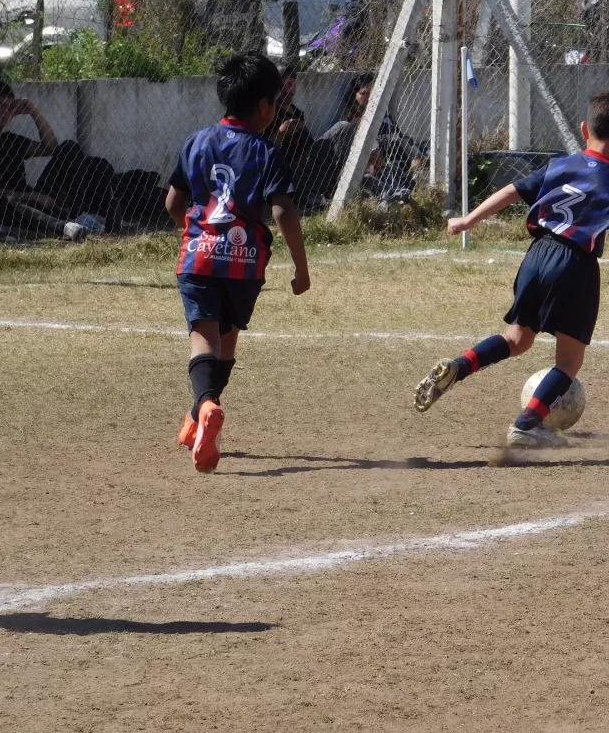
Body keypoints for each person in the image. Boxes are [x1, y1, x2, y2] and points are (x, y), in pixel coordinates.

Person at [413, 91, 609, 448]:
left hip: (536, 256)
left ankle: (459, 366)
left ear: (584, 129)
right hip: (575, 265)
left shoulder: (559, 166)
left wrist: (468, 220)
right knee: (569, 360)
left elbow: (511, 192)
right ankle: (527, 424)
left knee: (516, 338)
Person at [166, 52, 311, 473]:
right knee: (226, 343)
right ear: (265, 107)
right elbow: (283, 211)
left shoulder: (196, 141)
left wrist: (195, 229)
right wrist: (301, 269)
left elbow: (174, 202)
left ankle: (203, 406)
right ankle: (201, 414)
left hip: (200, 257)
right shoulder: (268, 151)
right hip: (245, 262)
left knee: (203, 339)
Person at [0, 81, 119, 240]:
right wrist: (32, 197)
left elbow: (51, 148)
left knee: (78, 153)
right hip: (6, 206)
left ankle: (87, 215)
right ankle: (73, 223)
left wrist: (33, 111)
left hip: (34, 197)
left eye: (10, 107)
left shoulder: (11, 140)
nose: (6, 112)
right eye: (0, 106)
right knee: (12, 204)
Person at [321, 73, 422, 201]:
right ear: (354, 96)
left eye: (373, 93)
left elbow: (401, 140)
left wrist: (415, 155)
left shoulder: (384, 116)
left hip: (398, 162)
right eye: (364, 93)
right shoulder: (352, 120)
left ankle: (404, 187)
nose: (370, 97)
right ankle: (393, 193)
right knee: (378, 176)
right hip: (375, 168)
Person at [263, 64, 339, 211]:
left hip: (307, 166)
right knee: (342, 127)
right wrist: (281, 133)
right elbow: (263, 154)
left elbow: (310, 145)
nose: (286, 90)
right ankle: (309, 195)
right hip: (287, 172)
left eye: (290, 84)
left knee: (343, 130)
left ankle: (329, 188)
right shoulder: (268, 112)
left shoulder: (297, 113)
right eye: (281, 85)